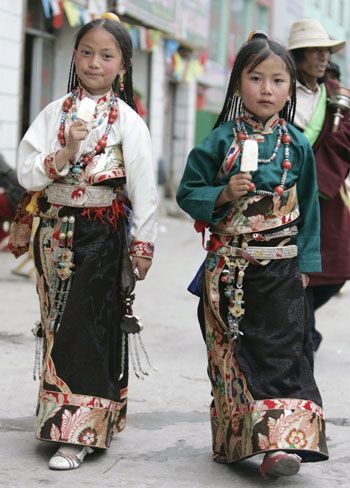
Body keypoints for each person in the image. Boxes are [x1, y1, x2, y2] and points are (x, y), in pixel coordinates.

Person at [176, 33, 328, 480]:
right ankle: (236, 440)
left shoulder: (297, 146)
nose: (267, 88)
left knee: (283, 354)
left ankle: (279, 447)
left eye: (278, 80)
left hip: (282, 269)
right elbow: (188, 192)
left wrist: (306, 265)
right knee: (235, 355)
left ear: (289, 86)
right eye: (256, 77)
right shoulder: (219, 141)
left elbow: (310, 208)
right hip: (231, 272)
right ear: (238, 83)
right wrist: (222, 192)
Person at [15, 13, 157, 470]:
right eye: (86, 52)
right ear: (74, 56)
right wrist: (65, 153)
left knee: (88, 325)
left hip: (102, 235)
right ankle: (61, 417)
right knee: (56, 322)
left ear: (123, 64)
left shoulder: (129, 121)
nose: (95, 62)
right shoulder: (53, 113)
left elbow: (144, 188)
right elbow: (26, 171)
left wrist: (143, 243)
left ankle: (80, 432)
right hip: (54, 232)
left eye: (107, 55)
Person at [288, 19, 350, 351]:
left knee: (335, 268)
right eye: (315, 50)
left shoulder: (336, 97)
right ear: (297, 56)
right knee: (292, 268)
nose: (323, 56)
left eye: (326, 50)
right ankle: (304, 333)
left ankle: (304, 329)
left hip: (325, 196)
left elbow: (346, 142)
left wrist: (320, 179)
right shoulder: (280, 90)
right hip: (284, 195)